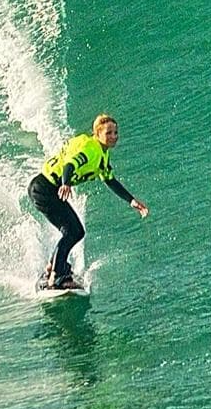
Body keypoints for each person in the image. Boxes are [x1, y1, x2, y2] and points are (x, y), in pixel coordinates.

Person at [28, 113, 148, 290]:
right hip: (46, 188)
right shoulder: (91, 149)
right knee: (73, 231)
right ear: (97, 133)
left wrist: (131, 201)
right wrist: (66, 183)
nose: (114, 137)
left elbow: (109, 179)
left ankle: (52, 268)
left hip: (46, 188)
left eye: (116, 132)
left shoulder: (102, 153)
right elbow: (70, 164)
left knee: (73, 231)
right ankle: (56, 276)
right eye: (109, 133)